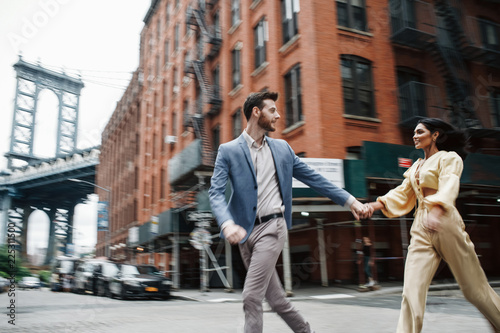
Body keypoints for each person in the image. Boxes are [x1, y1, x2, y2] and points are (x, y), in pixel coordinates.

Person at [209, 91, 369, 333]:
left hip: (272, 228)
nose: (278, 115)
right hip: (244, 233)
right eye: (272, 110)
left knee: (251, 296)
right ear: (256, 112)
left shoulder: (282, 148)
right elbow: (216, 192)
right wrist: (227, 223)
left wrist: (349, 201)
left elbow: (314, 178)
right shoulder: (228, 151)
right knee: (276, 300)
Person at [365, 118, 500, 333]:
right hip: (420, 225)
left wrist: (437, 211)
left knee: (473, 289)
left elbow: (449, 184)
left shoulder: (449, 158)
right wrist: (372, 206)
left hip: (445, 220)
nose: (415, 136)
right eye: (414, 132)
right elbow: (402, 193)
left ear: (435, 135)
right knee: (411, 290)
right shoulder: (416, 166)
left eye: (420, 132)